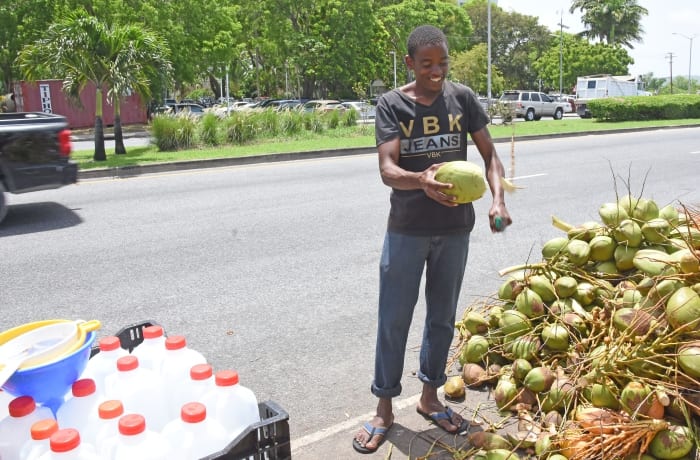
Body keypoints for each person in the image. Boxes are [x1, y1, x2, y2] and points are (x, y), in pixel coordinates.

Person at [352, 25, 512, 454]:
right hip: (406, 229)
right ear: (410, 64)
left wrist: (498, 200)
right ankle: (383, 409)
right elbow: (387, 168)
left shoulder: (462, 99)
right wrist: (419, 180)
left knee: (441, 318)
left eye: (442, 62)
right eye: (427, 64)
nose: (436, 71)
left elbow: (490, 155)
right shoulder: (392, 104)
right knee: (393, 319)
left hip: (455, 228)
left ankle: (429, 398)